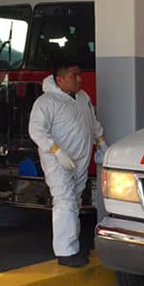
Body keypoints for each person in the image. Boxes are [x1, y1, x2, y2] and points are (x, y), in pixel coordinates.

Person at [29, 60, 108, 267]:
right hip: (58, 162)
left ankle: (73, 246)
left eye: (79, 74)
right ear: (60, 79)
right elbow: (37, 130)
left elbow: (92, 122)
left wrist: (100, 142)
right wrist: (55, 150)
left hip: (79, 160)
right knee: (64, 202)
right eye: (74, 76)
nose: (79, 79)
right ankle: (66, 252)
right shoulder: (46, 102)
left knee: (74, 202)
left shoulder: (82, 98)